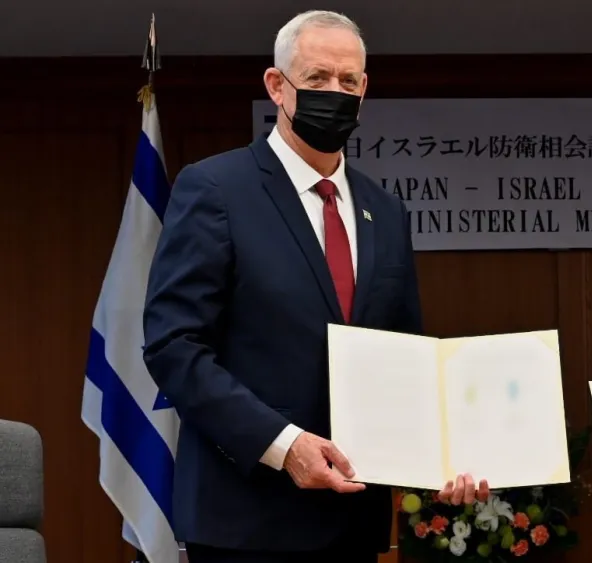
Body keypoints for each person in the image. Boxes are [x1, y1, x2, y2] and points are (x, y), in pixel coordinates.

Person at [142, 11, 487, 563]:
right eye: (318, 78)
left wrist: (444, 460)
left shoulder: (386, 211)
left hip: (353, 523)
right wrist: (284, 446)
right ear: (277, 86)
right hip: (246, 524)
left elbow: (406, 358)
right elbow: (173, 345)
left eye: (348, 82)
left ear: (365, 89)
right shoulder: (216, 189)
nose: (335, 92)